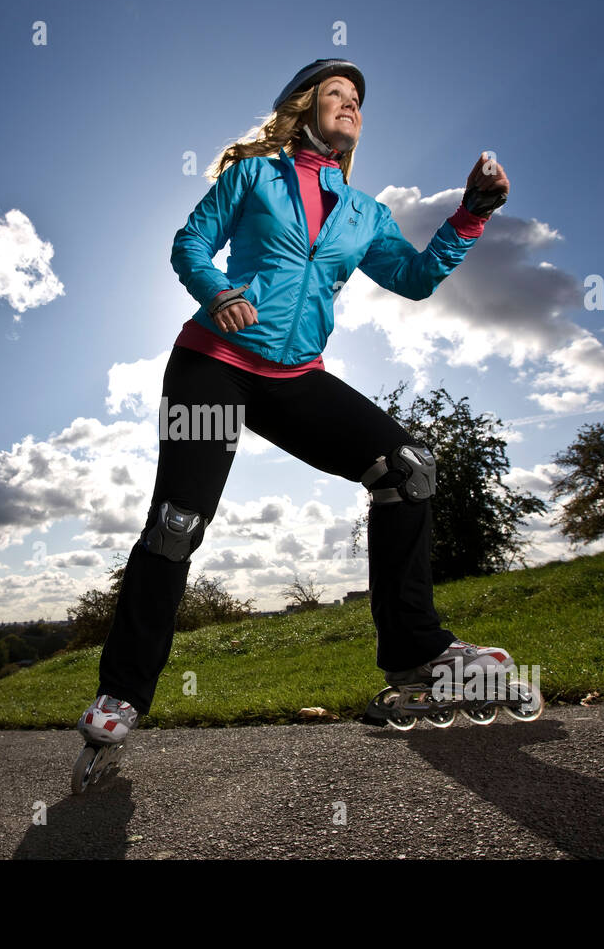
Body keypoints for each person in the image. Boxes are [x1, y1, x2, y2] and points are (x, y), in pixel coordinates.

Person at [76, 58, 515, 756]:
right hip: (214, 364)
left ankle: (416, 652)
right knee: (178, 522)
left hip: (292, 376)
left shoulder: (364, 212)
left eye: (358, 100)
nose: (350, 105)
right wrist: (217, 292)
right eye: (335, 94)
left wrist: (472, 214)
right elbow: (191, 242)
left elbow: (415, 277)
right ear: (304, 107)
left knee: (408, 469)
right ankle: (123, 692)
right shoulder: (255, 175)